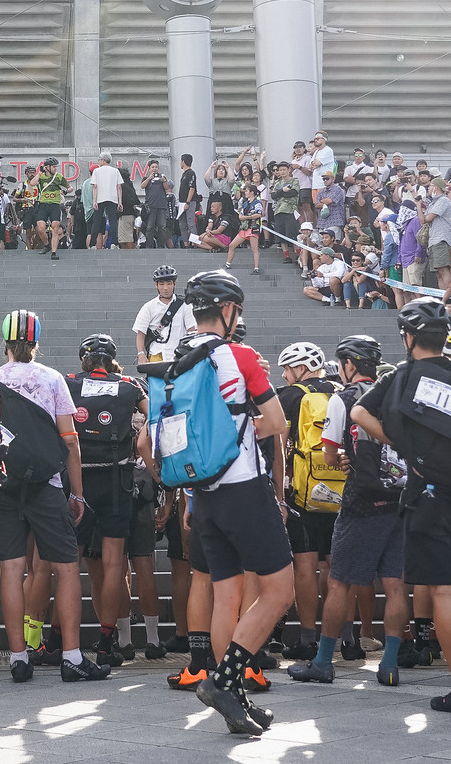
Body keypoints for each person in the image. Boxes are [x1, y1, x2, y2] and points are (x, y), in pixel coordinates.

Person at [147, 269, 291, 738]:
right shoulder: (240, 354)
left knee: (226, 597)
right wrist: (242, 423)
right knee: (278, 592)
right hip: (243, 488)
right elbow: (276, 422)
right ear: (228, 312)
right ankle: (225, 682)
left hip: (201, 493)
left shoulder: (176, 359)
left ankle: (235, 694)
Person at [349, 298, 451, 716]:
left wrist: (401, 444)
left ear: (408, 337)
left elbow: (358, 411)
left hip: (426, 496)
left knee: (443, 593)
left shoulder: (399, 377)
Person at [0, 310, 106, 685]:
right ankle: (71, 656)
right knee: (66, 566)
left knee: (11, 567)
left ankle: (18, 658)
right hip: (46, 484)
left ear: (6, 343)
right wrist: (79, 494)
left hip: (2, 485)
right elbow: (70, 440)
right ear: (36, 344)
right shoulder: (52, 379)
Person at [288, 335, 409, 687]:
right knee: (395, 583)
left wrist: (344, 459)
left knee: (339, 582)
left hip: (360, 500)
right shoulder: (395, 395)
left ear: (349, 365)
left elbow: (329, 455)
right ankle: (388, 663)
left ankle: (324, 661)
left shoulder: (343, 399)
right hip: (399, 498)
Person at [66, 334, 149, 669]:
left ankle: (66, 642)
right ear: (113, 360)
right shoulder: (131, 385)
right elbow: (157, 416)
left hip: (78, 481)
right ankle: (105, 641)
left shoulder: (69, 382)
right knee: (115, 564)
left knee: (72, 562)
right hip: (117, 479)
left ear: (84, 359)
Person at [275, 341, 343, 663]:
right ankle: (347, 638)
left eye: (288, 368)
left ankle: (307, 639)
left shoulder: (289, 397)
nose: (285, 375)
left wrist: (280, 493)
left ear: (301, 368)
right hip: (341, 491)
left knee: (305, 564)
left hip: (302, 492)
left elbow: (280, 445)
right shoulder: (342, 391)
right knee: (337, 566)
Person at [133, 265, 195, 365]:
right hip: (157, 355)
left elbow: (192, 330)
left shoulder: (185, 305)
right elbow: (141, 333)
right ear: (156, 285)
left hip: (179, 356)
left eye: (169, 284)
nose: (165, 288)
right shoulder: (148, 307)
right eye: (161, 284)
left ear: (174, 284)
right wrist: (141, 354)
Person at [33, 157, 68, 259]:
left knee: (55, 227)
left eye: (56, 166)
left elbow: (69, 187)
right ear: (47, 167)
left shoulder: (59, 177)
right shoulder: (41, 177)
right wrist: (39, 173)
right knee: (40, 227)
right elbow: (32, 183)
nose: (55, 168)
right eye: (53, 167)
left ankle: (53, 252)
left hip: (55, 205)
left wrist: (65, 191)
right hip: (43, 204)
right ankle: (46, 245)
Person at [90, 153, 121, 249]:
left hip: (100, 198)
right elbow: (119, 187)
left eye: (99, 160)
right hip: (113, 198)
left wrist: (94, 201)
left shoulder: (96, 171)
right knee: (113, 221)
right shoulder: (115, 171)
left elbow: (95, 186)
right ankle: (114, 243)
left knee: (96, 221)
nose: (99, 162)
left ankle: (92, 244)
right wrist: (120, 202)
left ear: (103, 160)